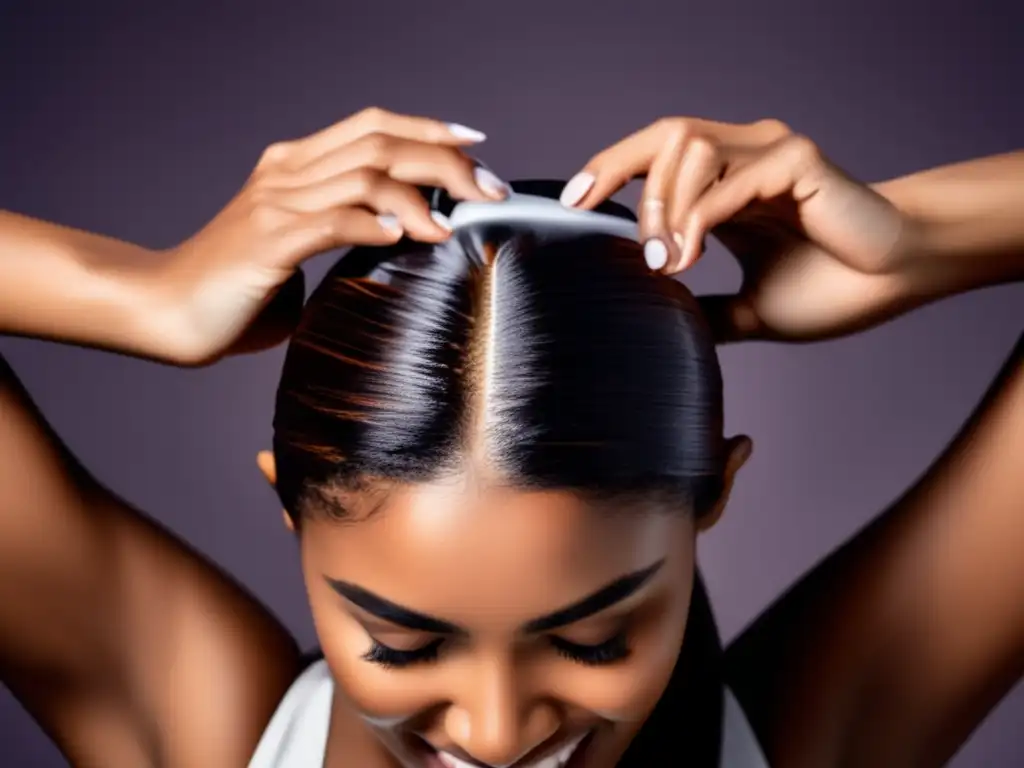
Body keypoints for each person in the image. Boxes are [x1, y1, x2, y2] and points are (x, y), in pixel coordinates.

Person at [0, 107, 1020, 768]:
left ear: (712, 498)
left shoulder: (818, 736)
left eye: (591, 639)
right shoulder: (199, 730)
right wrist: (141, 295)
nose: (496, 735)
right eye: (402, 643)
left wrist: (907, 239)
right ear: (288, 505)